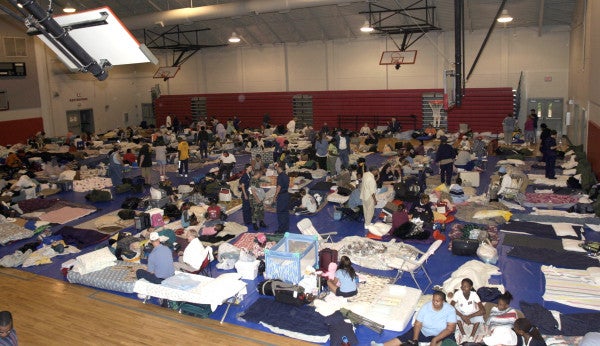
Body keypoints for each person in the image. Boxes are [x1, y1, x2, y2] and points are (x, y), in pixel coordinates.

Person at [372, 291, 457, 346]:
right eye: (433, 300)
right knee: (403, 338)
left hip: (441, 334)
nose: (434, 302)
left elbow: (450, 329)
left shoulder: (450, 310)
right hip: (424, 332)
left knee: (448, 343)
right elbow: (418, 324)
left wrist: (435, 339)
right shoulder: (426, 307)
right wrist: (415, 340)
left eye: (437, 301)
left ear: (443, 301)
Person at [274, 162, 290, 233]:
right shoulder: (286, 175)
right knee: (285, 212)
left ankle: (281, 230)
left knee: (280, 213)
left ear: (279, 168)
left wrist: (275, 196)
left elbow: (279, 187)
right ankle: (286, 227)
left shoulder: (280, 176)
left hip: (281, 196)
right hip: (286, 194)